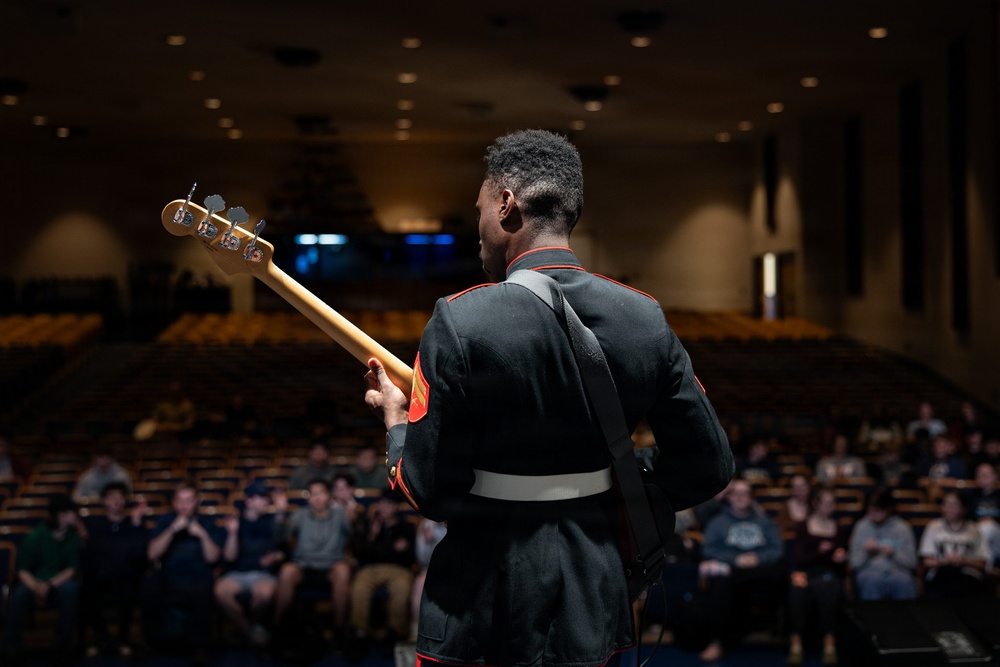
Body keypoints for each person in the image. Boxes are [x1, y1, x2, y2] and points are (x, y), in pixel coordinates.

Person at [363, 129, 733, 667]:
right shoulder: (643, 316)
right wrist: (614, 481)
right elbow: (708, 464)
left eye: (481, 209)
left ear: (507, 205)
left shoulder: (460, 319)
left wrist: (397, 422)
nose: (479, 231)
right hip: (594, 591)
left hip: (482, 599)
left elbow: (429, 489)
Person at [696, 478, 786, 662]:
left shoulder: (764, 521)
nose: (740, 497)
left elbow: (777, 549)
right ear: (729, 497)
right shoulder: (718, 522)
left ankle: (789, 636)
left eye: (745, 493)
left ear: (751, 497)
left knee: (784, 574)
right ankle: (717, 642)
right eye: (736, 493)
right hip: (732, 571)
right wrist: (735, 558)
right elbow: (708, 549)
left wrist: (758, 558)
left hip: (759, 570)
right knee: (721, 583)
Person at [142, 480, 224, 660]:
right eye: (180, 500)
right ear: (174, 502)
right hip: (168, 576)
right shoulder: (165, 521)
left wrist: (202, 534)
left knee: (204, 586)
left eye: (189, 500)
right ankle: (150, 642)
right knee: (149, 585)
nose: (184, 505)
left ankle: (200, 647)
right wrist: (172, 529)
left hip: (198, 576)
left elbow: (213, 558)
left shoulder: (207, 522)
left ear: (197, 501)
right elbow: (152, 554)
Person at [1, 494, 81, 666]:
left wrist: (49, 585)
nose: (76, 516)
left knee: (71, 590)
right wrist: (37, 586)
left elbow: (72, 569)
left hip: (58, 583)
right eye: (73, 512)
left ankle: (60, 647)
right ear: (61, 514)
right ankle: (11, 649)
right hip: (33, 582)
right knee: (19, 595)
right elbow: (22, 570)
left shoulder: (73, 536)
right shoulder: (37, 535)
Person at [272, 478, 353, 638]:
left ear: (329, 495)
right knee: (287, 571)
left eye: (321, 493)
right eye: (312, 494)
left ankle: (339, 628)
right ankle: (276, 627)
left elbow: (355, 536)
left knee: (343, 570)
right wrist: (280, 514)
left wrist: (352, 512)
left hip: (331, 566)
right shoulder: (299, 515)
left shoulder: (340, 515)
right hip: (303, 565)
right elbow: (281, 539)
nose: (316, 497)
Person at [80, 482, 148, 658]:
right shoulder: (94, 525)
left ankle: (123, 639)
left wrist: (136, 524)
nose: (116, 501)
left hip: (126, 576)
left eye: (120, 497)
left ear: (125, 500)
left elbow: (139, 553)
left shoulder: (133, 523)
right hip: (101, 576)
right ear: (104, 501)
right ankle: (101, 638)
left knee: (129, 589)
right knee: (85, 590)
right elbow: (92, 554)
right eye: (111, 497)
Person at [214, 480, 284, 648]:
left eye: (267, 498)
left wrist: (275, 557)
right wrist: (232, 534)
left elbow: (284, 551)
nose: (266, 502)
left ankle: (245, 630)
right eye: (261, 498)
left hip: (263, 573)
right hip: (237, 573)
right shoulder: (236, 523)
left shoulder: (272, 521)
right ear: (249, 501)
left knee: (265, 595)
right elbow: (230, 558)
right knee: (221, 592)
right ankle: (250, 632)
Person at [348, 489, 417, 656]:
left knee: (402, 587)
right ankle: (360, 633)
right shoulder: (369, 524)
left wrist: (385, 550)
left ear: (397, 507)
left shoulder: (407, 527)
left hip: (398, 569)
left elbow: (410, 557)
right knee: (360, 586)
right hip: (370, 568)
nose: (385, 508)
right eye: (382, 503)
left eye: (389, 504)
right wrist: (373, 536)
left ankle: (394, 634)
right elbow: (360, 554)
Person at [786, 486, 849, 666]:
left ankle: (829, 641)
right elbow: (799, 557)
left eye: (833, 503)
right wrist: (819, 551)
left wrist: (841, 556)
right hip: (804, 571)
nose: (831, 506)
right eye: (827, 503)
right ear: (816, 504)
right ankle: (796, 642)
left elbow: (841, 559)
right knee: (798, 589)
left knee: (827, 588)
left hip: (827, 573)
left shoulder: (837, 527)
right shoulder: (803, 525)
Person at [848, 487, 918, 600]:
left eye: (878, 510)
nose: (874, 514)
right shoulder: (861, 527)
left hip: (898, 571)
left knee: (904, 582)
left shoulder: (902, 527)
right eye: (870, 510)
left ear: (888, 509)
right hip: (870, 572)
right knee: (872, 581)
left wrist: (894, 553)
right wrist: (866, 553)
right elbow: (854, 563)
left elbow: (912, 562)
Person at [918, 491, 991, 599]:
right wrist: (944, 561)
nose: (948, 508)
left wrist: (964, 561)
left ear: (963, 508)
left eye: (954, 505)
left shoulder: (974, 529)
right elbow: (926, 562)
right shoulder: (934, 526)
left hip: (968, 575)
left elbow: (983, 563)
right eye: (946, 504)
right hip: (940, 573)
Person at [410, 517, 447, 641]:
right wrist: (427, 542)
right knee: (420, 583)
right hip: (430, 568)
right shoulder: (427, 525)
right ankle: (415, 633)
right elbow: (421, 559)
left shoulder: (458, 522)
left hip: (454, 570)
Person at [963, 462, 1000, 568]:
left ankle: (981, 571)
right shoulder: (970, 497)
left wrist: (990, 522)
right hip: (977, 536)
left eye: (986, 474)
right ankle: (987, 569)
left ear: (995, 476)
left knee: (987, 527)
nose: (983, 477)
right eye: (979, 475)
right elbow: (966, 521)